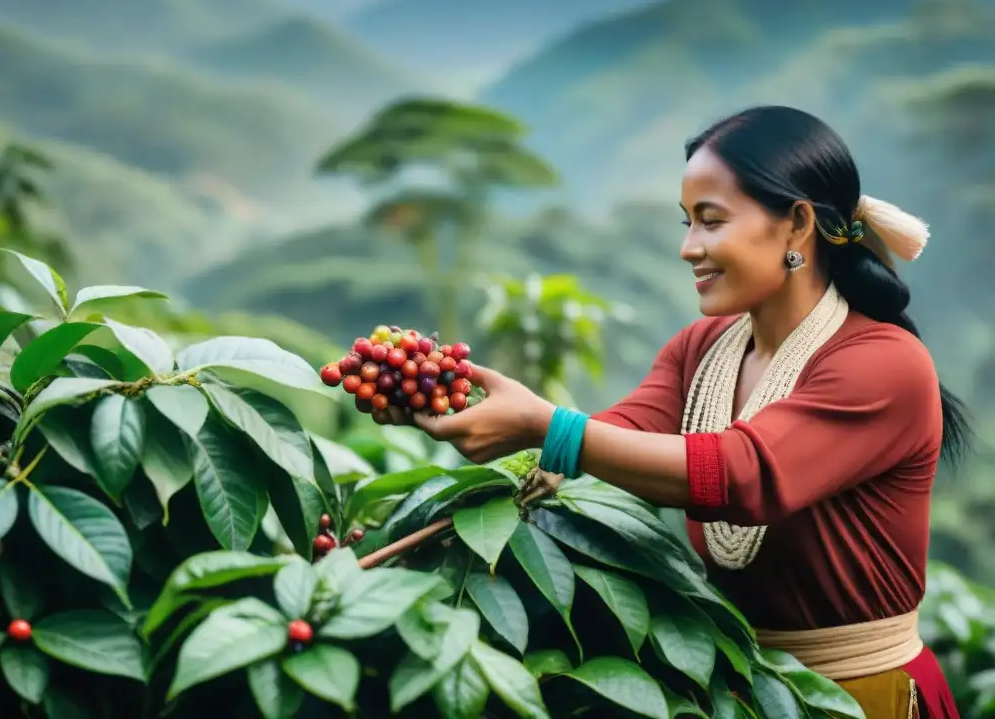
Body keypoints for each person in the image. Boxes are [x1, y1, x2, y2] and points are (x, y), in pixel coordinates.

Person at [377, 105, 968, 718]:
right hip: (739, 691)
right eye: (687, 223)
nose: (689, 248)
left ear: (796, 224)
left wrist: (543, 425)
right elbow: (625, 430)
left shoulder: (885, 363)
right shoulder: (702, 350)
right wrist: (472, 405)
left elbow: (743, 474)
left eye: (711, 222)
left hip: (862, 698)